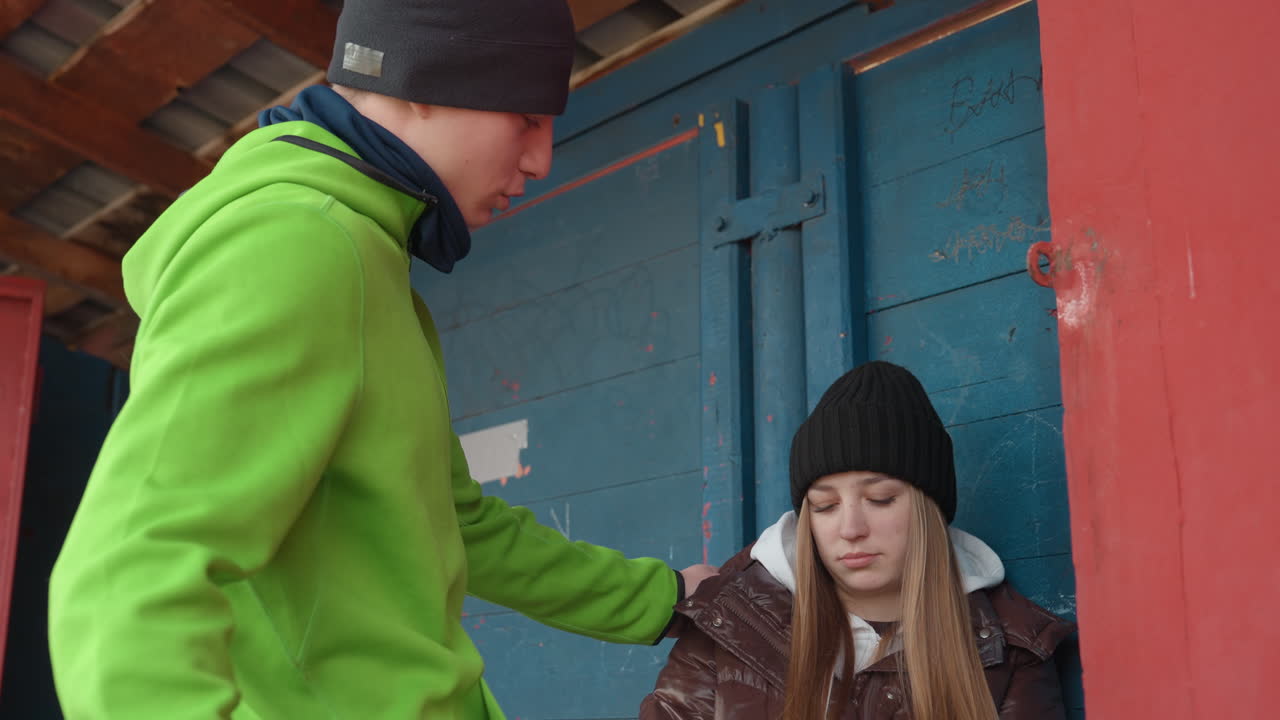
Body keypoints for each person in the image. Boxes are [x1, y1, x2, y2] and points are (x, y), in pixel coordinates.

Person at [47, 1, 715, 718]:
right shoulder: (299, 244)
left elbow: (457, 525)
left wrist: (665, 599)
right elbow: (130, 570)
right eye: (525, 117)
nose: (542, 158)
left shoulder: (371, 265)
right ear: (419, 81)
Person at [641, 361, 1074, 720]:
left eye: (881, 499)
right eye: (825, 506)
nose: (850, 528)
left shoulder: (1013, 647)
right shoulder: (731, 618)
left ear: (928, 512)